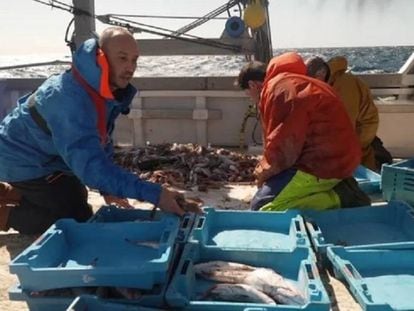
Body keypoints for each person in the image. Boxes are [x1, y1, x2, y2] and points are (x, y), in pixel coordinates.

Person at [0, 27, 189, 234]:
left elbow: (101, 139)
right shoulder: (70, 100)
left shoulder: (98, 88)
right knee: (74, 222)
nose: (130, 67)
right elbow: (91, 168)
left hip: (51, 157)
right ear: (101, 58)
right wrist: (157, 194)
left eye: (134, 60)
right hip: (21, 161)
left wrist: (107, 188)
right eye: (122, 58)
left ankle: (12, 194)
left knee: (78, 204)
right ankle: (5, 214)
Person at [237, 52, 366, 212]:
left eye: (247, 94)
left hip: (320, 166)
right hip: (344, 161)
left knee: (263, 208)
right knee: (272, 189)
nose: (250, 98)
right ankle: (340, 186)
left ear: (252, 85)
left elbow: (284, 148)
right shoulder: (302, 83)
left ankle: (340, 197)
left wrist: (263, 174)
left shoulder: (279, 90)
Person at [306, 56, 392, 171]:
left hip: (360, 138)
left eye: (314, 81)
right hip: (351, 137)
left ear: (322, 73)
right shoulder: (330, 83)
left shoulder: (345, 85)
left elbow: (346, 124)